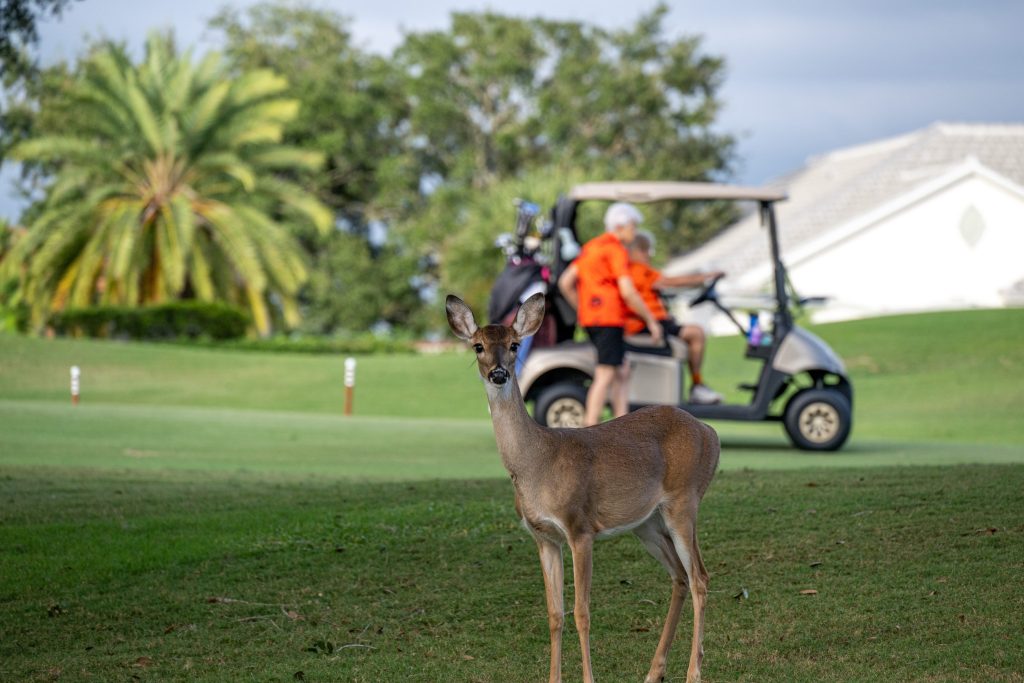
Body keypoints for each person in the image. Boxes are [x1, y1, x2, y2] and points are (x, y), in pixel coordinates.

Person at [558, 202, 662, 426]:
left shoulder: (591, 248)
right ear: (620, 226)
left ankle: (621, 424)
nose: (634, 233)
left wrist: (583, 309)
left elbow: (565, 282)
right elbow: (628, 291)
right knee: (605, 373)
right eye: (632, 227)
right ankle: (590, 427)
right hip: (609, 319)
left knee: (621, 371)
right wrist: (651, 321)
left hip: (593, 320)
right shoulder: (615, 249)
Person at [626, 230, 725, 404]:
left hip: (652, 321)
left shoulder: (634, 270)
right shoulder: (638, 270)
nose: (650, 256)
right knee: (696, 333)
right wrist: (704, 277)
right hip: (646, 324)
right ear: (640, 251)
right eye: (649, 251)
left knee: (691, 331)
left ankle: (697, 385)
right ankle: (697, 385)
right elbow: (669, 282)